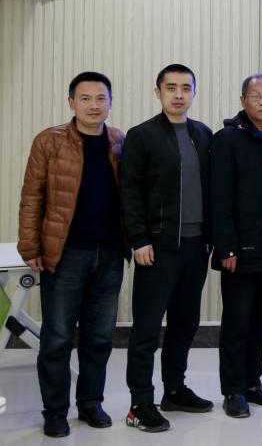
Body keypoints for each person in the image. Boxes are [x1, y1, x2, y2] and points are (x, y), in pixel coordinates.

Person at [18, 72, 127, 438]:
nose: (94, 105)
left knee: (99, 337)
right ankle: (55, 411)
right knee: (58, 338)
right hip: (65, 256)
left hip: (109, 255)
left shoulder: (119, 142)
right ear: (71, 103)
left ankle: (91, 403)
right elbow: (32, 197)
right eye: (85, 98)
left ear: (110, 102)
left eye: (100, 98)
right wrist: (30, 246)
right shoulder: (49, 142)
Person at [122, 64, 214, 432]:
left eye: (185, 88)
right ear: (157, 92)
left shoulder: (203, 134)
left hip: (196, 246)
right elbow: (130, 191)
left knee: (184, 323)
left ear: (193, 93)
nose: (178, 94)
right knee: (147, 328)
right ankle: (140, 403)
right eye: (171, 87)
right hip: (157, 247)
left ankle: (174, 389)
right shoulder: (142, 135)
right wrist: (139, 239)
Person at [210, 75, 262, 418]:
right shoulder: (228, 139)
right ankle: (233, 390)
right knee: (236, 324)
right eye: (256, 96)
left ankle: (253, 383)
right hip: (238, 250)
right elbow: (219, 198)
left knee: (258, 322)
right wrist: (226, 247)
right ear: (243, 101)